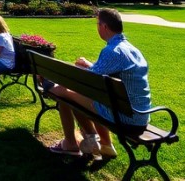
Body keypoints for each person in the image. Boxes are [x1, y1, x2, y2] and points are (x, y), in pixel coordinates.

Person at [45, 8, 151, 159]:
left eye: (97, 23)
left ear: (104, 27)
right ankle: (103, 143)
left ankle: (73, 142)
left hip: (125, 117)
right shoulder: (130, 49)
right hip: (140, 114)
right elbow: (102, 71)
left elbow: (87, 81)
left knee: (66, 93)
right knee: (80, 96)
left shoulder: (113, 51)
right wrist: (88, 65)